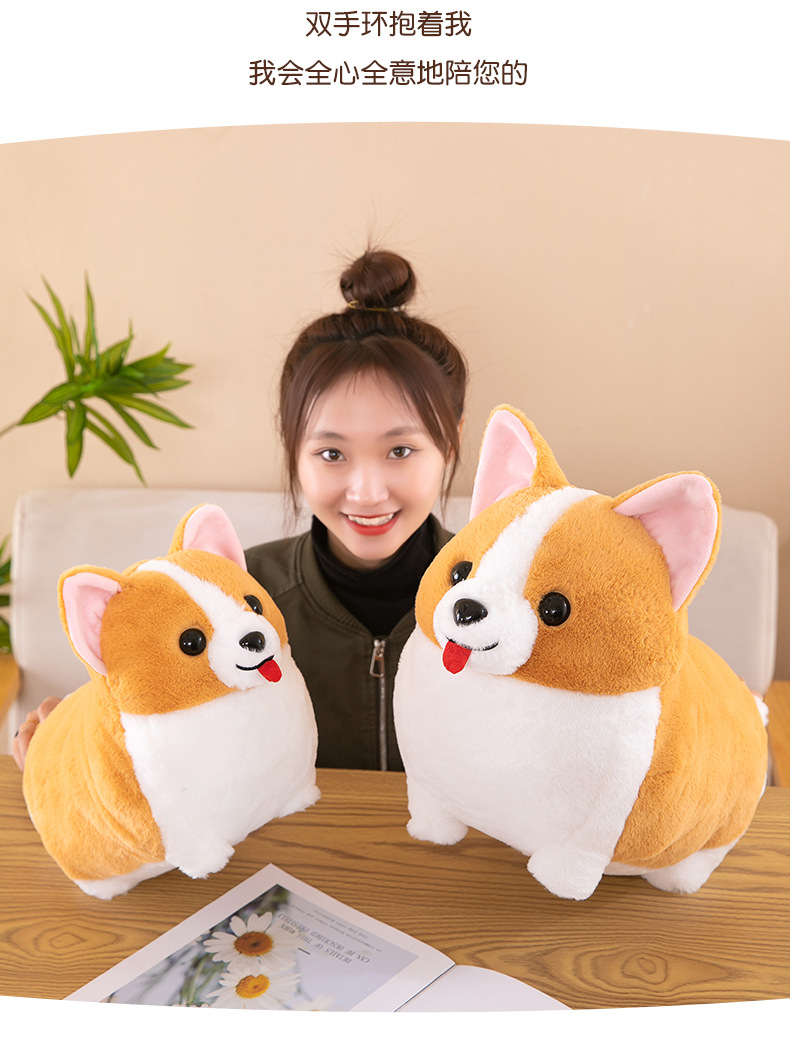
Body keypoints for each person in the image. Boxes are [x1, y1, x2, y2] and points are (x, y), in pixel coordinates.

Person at [12, 248, 468, 773]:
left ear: (450, 443)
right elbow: (145, 731)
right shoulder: (225, 595)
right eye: (331, 454)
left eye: (400, 450)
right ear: (292, 448)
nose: (366, 493)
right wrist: (68, 739)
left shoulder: (510, 592)